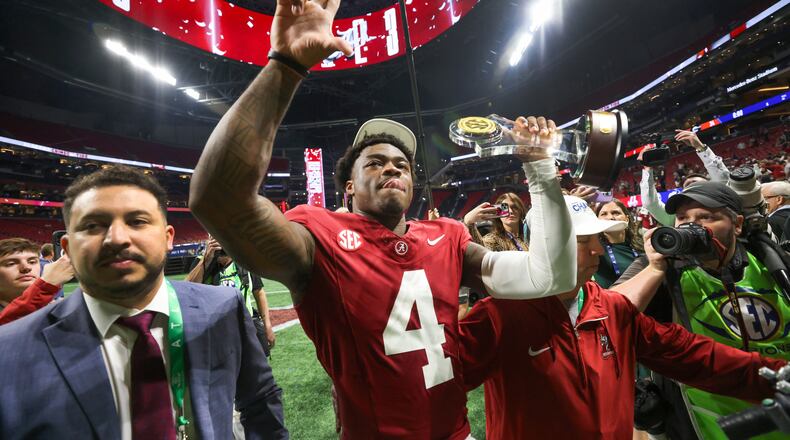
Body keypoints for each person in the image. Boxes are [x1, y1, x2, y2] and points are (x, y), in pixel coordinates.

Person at [188, 0, 576, 437]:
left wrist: (540, 168)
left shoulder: (447, 237)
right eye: (374, 162)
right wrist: (285, 66)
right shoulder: (320, 236)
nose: (392, 167)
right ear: (348, 187)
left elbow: (549, 277)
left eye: (402, 165)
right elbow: (218, 199)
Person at [459, 195, 785, 439]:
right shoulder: (500, 315)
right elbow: (441, 386)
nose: (598, 250)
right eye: (583, 241)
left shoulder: (609, 308)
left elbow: (692, 356)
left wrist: (773, 376)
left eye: (598, 239)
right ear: (545, 249)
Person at [0, 166, 287, 439]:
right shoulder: (10, 348)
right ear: (67, 248)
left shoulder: (223, 308)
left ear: (168, 237)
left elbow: (260, 400)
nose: (117, 238)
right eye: (93, 225)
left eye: (137, 221)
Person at [614, 181, 790, 439]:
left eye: (705, 217)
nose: (691, 226)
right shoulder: (662, 268)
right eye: (682, 218)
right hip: (708, 423)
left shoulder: (767, 259)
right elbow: (607, 317)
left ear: (737, 224)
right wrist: (655, 268)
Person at [186, 237, 276, 353]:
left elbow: (259, 292)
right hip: (216, 332)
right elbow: (189, 289)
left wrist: (267, 325)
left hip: (245, 328)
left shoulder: (244, 261)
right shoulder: (202, 262)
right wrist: (206, 260)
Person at [639, 129, 729, 226]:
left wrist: (700, 147)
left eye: (697, 184)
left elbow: (722, 180)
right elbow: (650, 204)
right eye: (688, 186)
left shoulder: (720, 205)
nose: (691, 184)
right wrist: (647, 168)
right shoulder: (676, 216)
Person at [0, 238, 74, 324]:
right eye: (11, 264)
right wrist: (46, 287)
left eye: (32, 262)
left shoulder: (56, 309)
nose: (26, 268)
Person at [593, 199, 644, 288]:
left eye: (616, 213)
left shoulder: (642, 245)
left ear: (627, 219)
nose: (610, 217)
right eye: (604, 214)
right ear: (597, 221)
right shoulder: (595, 249)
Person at [463, 193, 528, 252]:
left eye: (515, 207)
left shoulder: (529, 235)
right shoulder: (493, 240)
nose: (510, 211)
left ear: (521, 210)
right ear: (498, 214)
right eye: (505, 208)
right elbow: (481, 250)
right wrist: (468, 222)